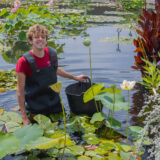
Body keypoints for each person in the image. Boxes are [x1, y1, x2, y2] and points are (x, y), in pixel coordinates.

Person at [16, 24, 88, 126]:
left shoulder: (52, 53)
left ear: (46, 39)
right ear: (30, 40)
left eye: (43, 37)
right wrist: (24, 117)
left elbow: (55, 70)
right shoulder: (23, 61)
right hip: (36, 110)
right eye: (36, 37)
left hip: (55, 106)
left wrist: (75, 77)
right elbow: (20, 90)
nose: (40, 39)